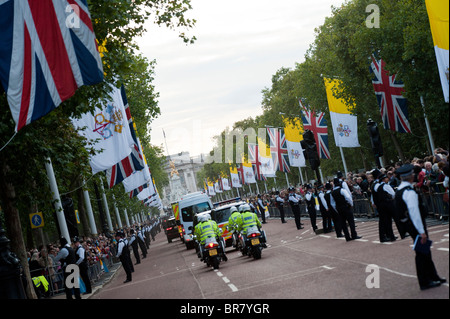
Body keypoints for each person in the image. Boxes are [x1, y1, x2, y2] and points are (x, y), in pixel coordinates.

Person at [395, 164, 446, 290]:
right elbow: (414, 212)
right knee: (422, 253)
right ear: (410, 176)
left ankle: (433, 276)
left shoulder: (400, 190)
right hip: (416, 225)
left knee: (425, 252)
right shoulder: (408, 192)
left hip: (409, 224)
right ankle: (425, 281)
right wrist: (421, 231)